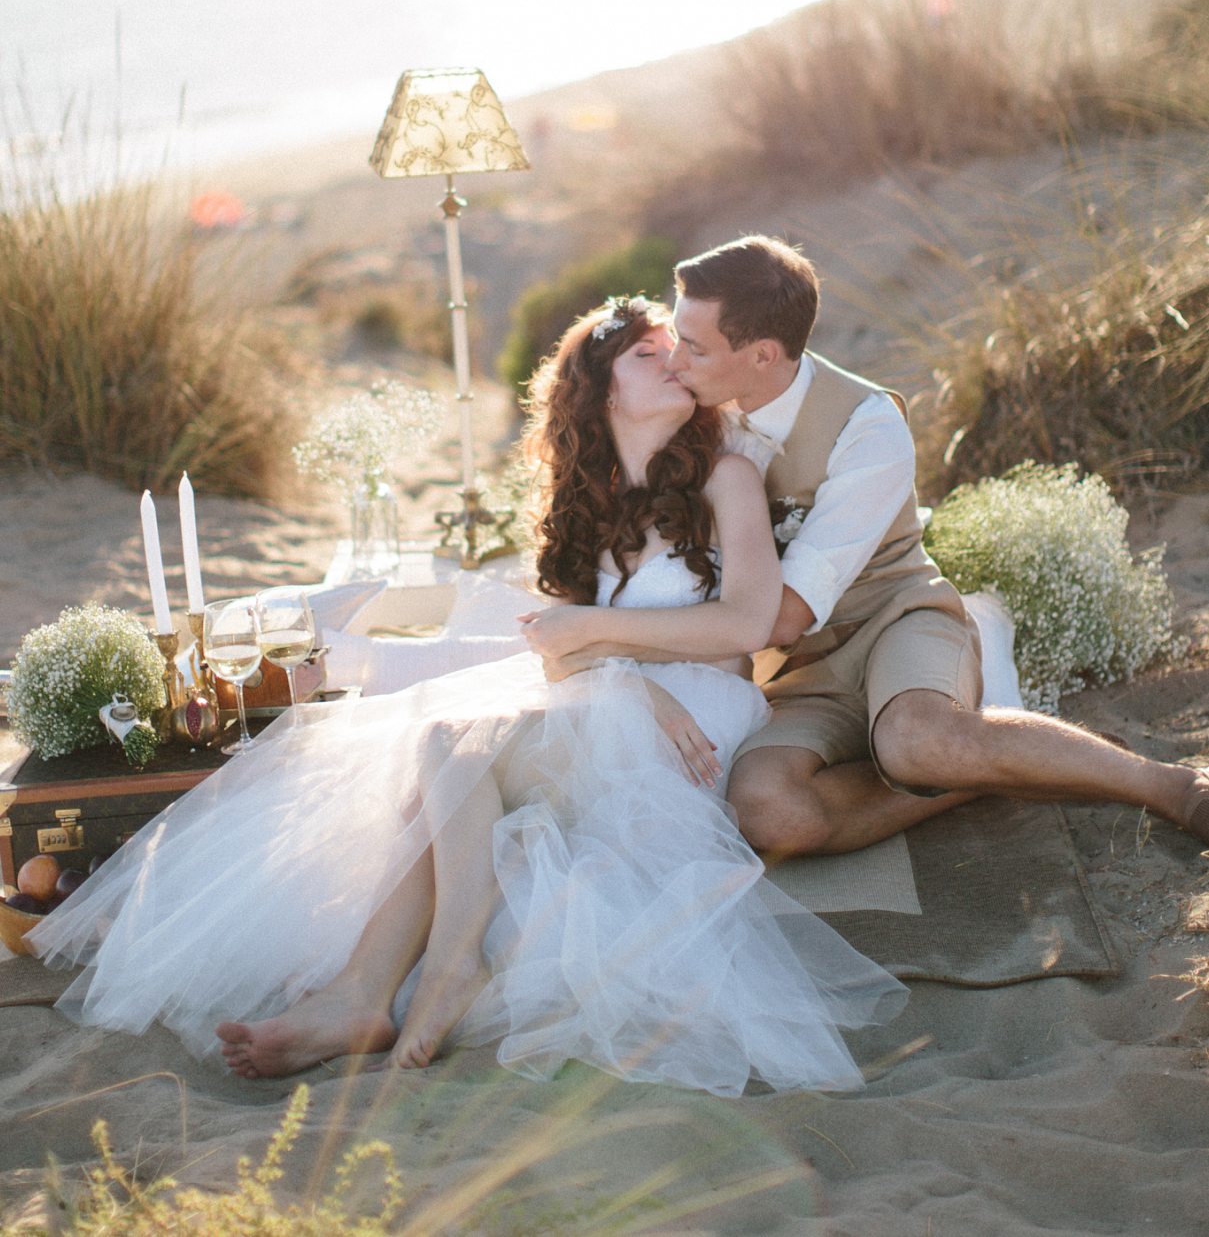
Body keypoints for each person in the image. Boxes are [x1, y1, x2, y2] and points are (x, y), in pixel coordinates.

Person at [30, 297, 906, 1097]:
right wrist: (623, 675)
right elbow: (559, 655)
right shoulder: (590, 505)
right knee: (442, 760)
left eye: (673, 348)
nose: (674, 360)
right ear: (601, 390)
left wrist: (601, 648)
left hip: (697, 722)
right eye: (648, 353)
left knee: (448, 745)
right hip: (617, 702)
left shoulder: (725, 477)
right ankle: (370, 991)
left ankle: (416, 975)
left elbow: (745, 624)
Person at [524, 236, 1209, 858]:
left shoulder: (867, 425)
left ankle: (1170, 786)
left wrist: (591, 636)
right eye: (676, 340)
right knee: (766, 811)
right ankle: (990, 771)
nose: (676, 361)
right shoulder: (699, 417)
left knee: (916, 739)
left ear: (760, 355)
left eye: (694, 348)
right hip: (800, 672)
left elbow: (777, 616)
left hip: (893, 622)